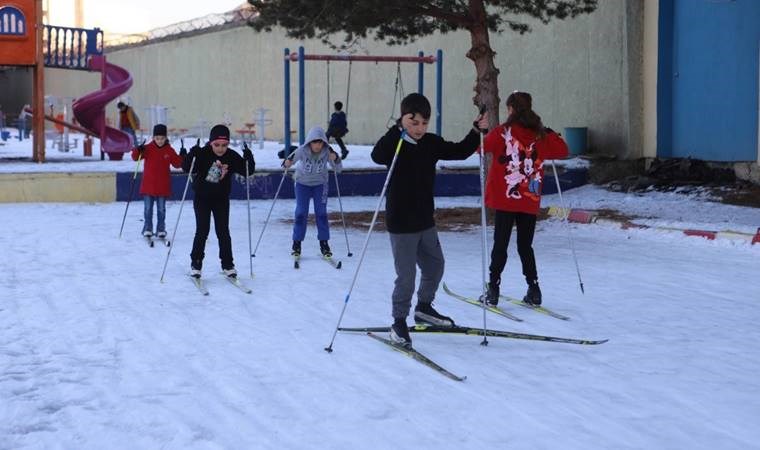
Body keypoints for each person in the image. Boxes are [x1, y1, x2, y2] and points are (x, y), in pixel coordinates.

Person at [371, 93, 488, 347]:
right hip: (401, 223)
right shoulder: (396, 144)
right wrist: (397, 129)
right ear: (403, 120)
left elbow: (459, 151)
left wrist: (475, 130)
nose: (420, 128)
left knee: (435, 266)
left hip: (425, 220)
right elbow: (377, 156)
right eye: (414, 123)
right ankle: (398, 321)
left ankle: (424, 307)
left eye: (424, 123)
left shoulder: (431, 143)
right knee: (406, 277)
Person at [480, 91, 569, 307]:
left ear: (510, 109)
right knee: (525, 245)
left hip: (505, 197)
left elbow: (481, 148)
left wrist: (481, 131)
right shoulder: (540, 135)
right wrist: (550, 133)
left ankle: (493, 289)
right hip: (529, 197)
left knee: (500, 243)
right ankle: (534, 288)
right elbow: (563, 151)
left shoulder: (503, 132)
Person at [181, 124, 255, 279]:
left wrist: (248, 157)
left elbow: (248, 171)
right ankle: (196, 263)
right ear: (210, 143)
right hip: (202, 197)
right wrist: (191, 154)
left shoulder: (232, 156)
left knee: (223, 231)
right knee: (202, 230)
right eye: (217, 145)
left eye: (224, 145)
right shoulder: (203, 153)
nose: (221, 149)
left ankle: (228, 265)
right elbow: (187, 168)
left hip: (221, 199)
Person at [284, 126, 342, 258]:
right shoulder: (302, 150)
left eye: (320, 142)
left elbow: (338, 169)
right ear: (309, 142)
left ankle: (324, 243)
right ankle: (296, 243)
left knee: (321, 213)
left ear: (324, 143)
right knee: (301, 212)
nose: (317, 145)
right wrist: (287, 162)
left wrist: (336, 158)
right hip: (302, 184)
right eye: (314, 142)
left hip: (320, 185)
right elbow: (289, 160)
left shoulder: (328, 151)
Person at [130, 124, 183, 239]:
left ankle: (161, 229)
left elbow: (177, 163)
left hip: (163, 187)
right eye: (157, 138)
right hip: (148, 186)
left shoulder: (169, 150)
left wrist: (183, 156)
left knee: (161, 210)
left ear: (166, 138)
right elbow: (135, 157)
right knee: (148, 209)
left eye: (162, 138)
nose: (159, 141)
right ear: (153, 138)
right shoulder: (148, 148)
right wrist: (137, 149)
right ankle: (147, 228)